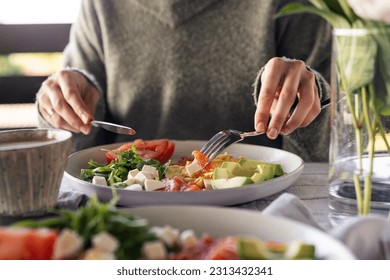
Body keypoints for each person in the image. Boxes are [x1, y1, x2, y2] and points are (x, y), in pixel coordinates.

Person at [36, 0, 332, 161]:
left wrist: (308, 102)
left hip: (259, 214)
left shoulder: (300, 6)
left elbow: (321, 162)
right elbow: (71, 155)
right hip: (123, 207)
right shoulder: (100, 6)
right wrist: (59, 109)